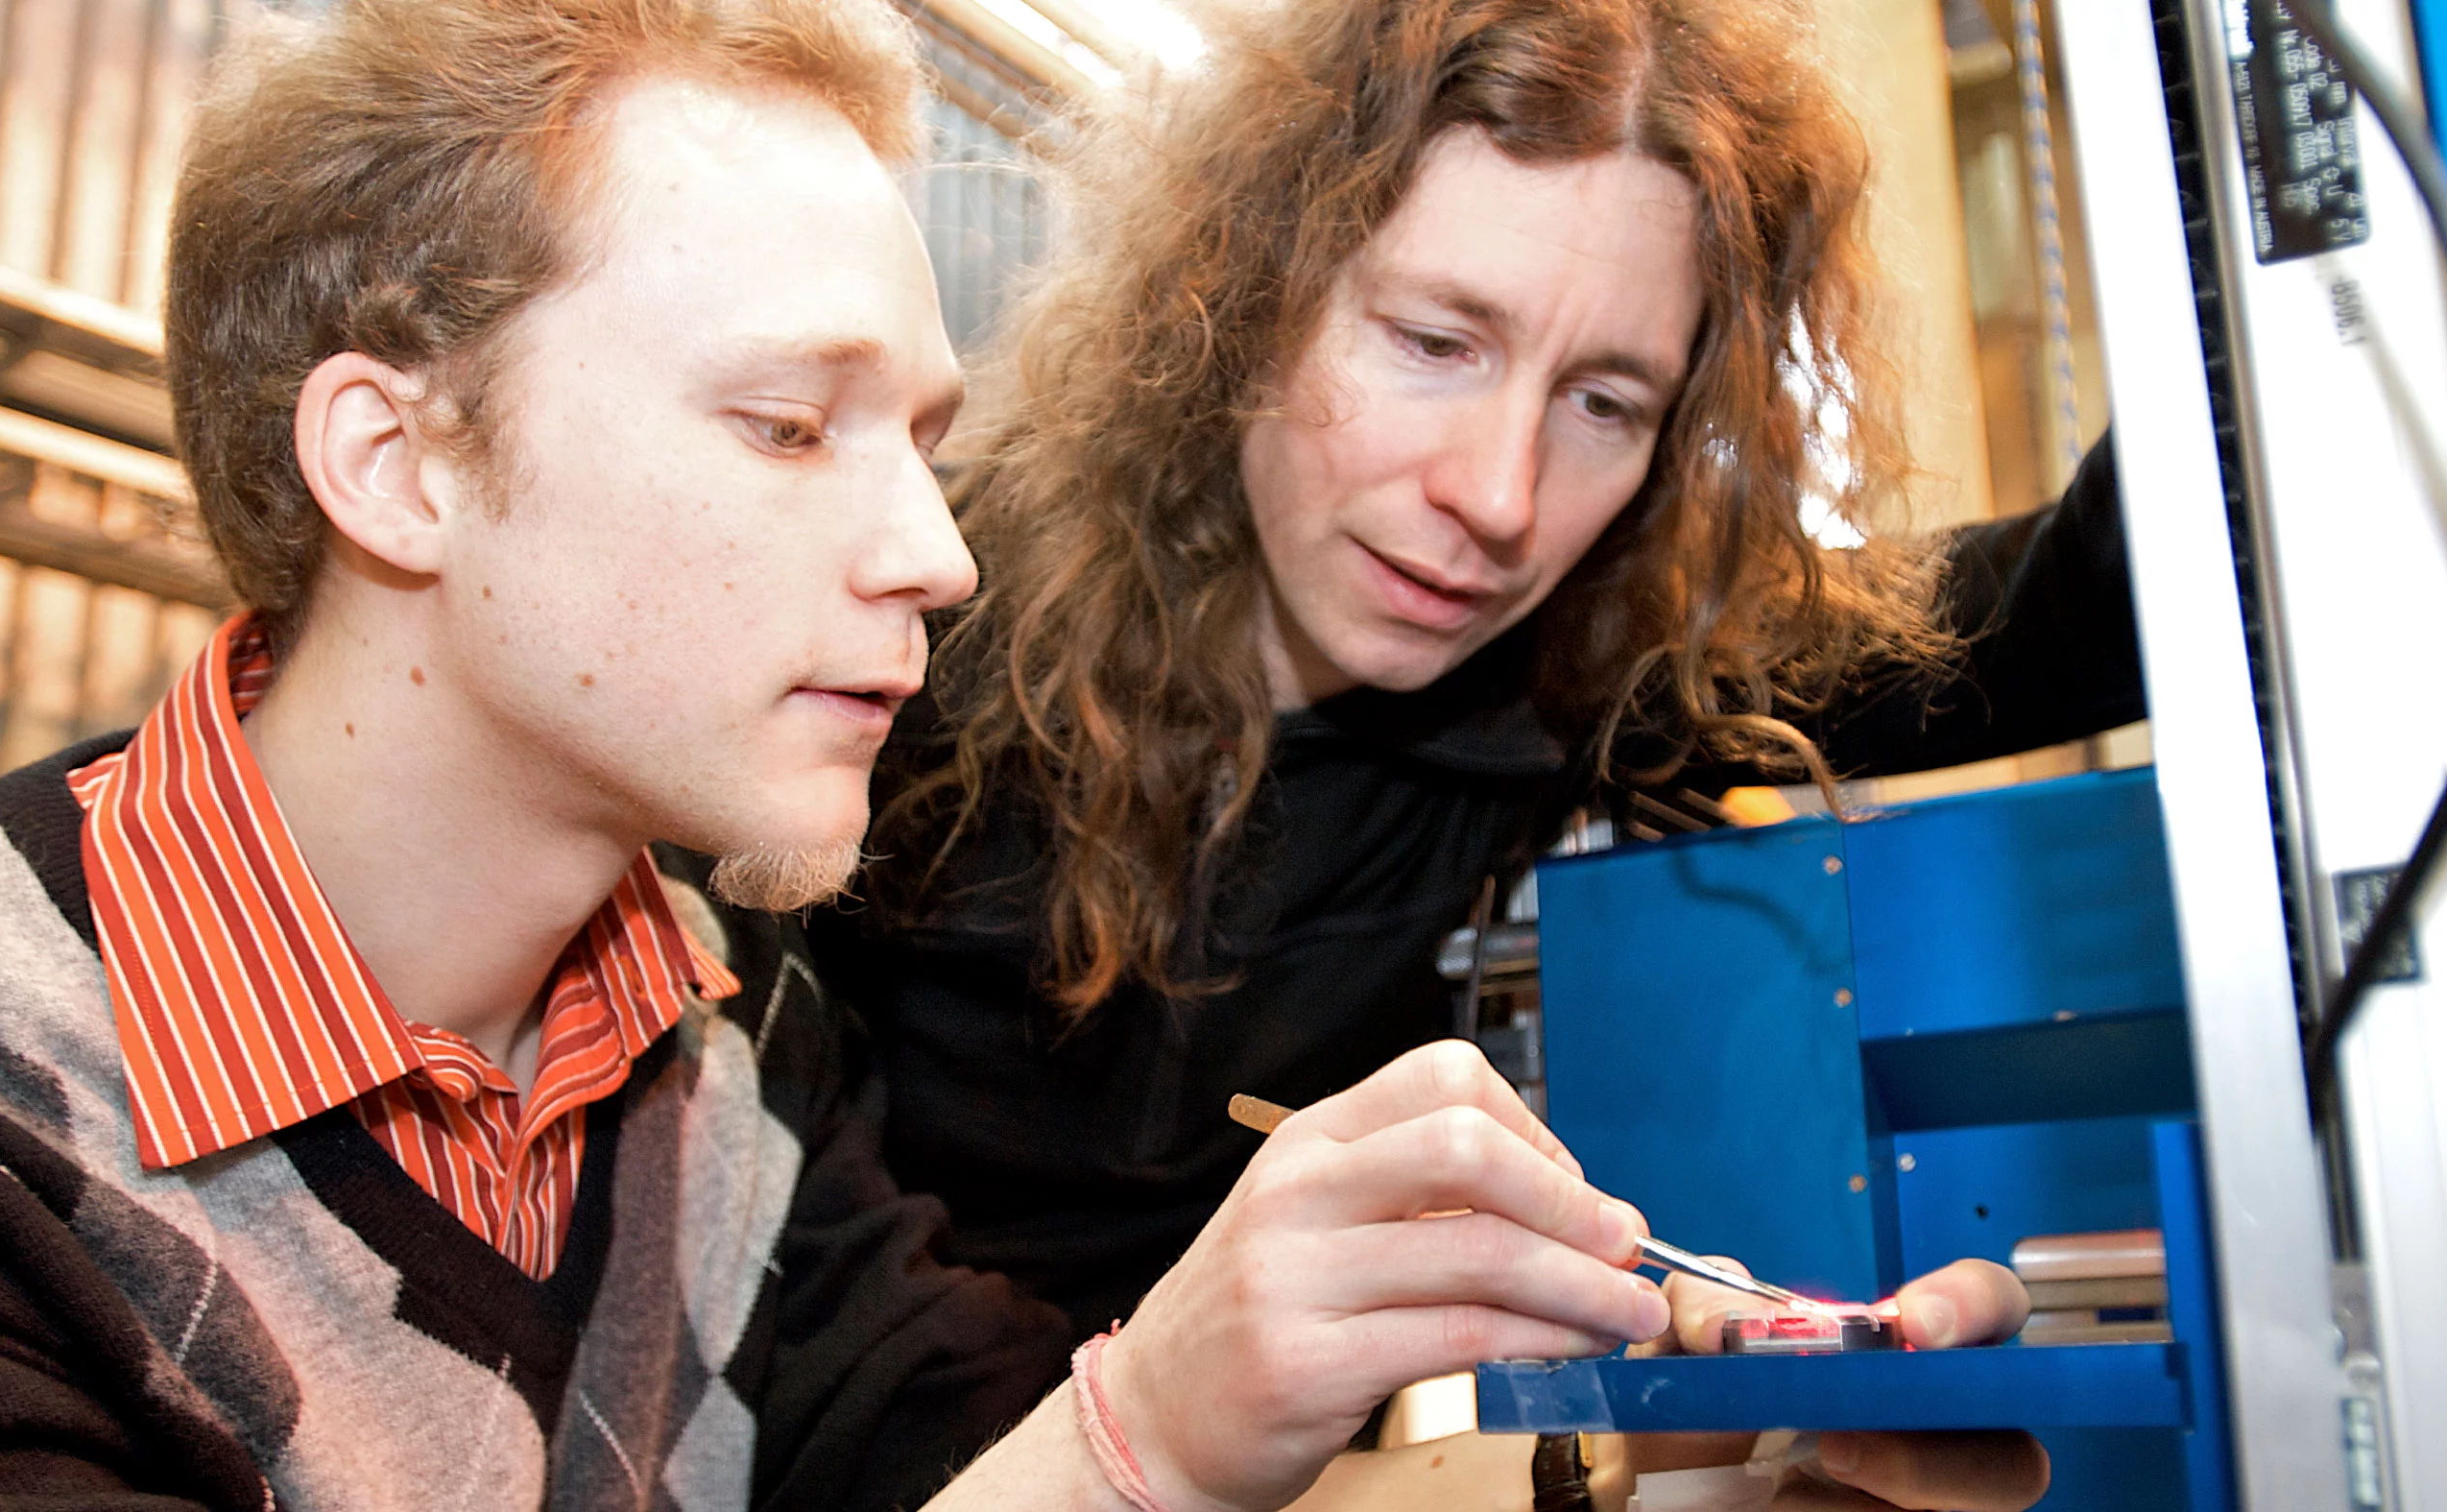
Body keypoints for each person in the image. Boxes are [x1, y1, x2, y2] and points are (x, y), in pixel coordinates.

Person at [0, 4, 1846, 1510]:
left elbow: (960, 1450)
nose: (938, 558)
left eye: (917, 441)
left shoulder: (714, 1064)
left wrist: (1673, 1476)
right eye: (790, 425)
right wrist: (1145, 1443)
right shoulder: (0, 1139)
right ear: (395, 463)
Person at [815, 0, 2136, 1500]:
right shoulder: (897, 637)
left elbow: (2057, 615)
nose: (1502, 498)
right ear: (1246, 287)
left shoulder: (1565, 669)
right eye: (1437, 341)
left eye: (1602, 401)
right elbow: (805, 1313)